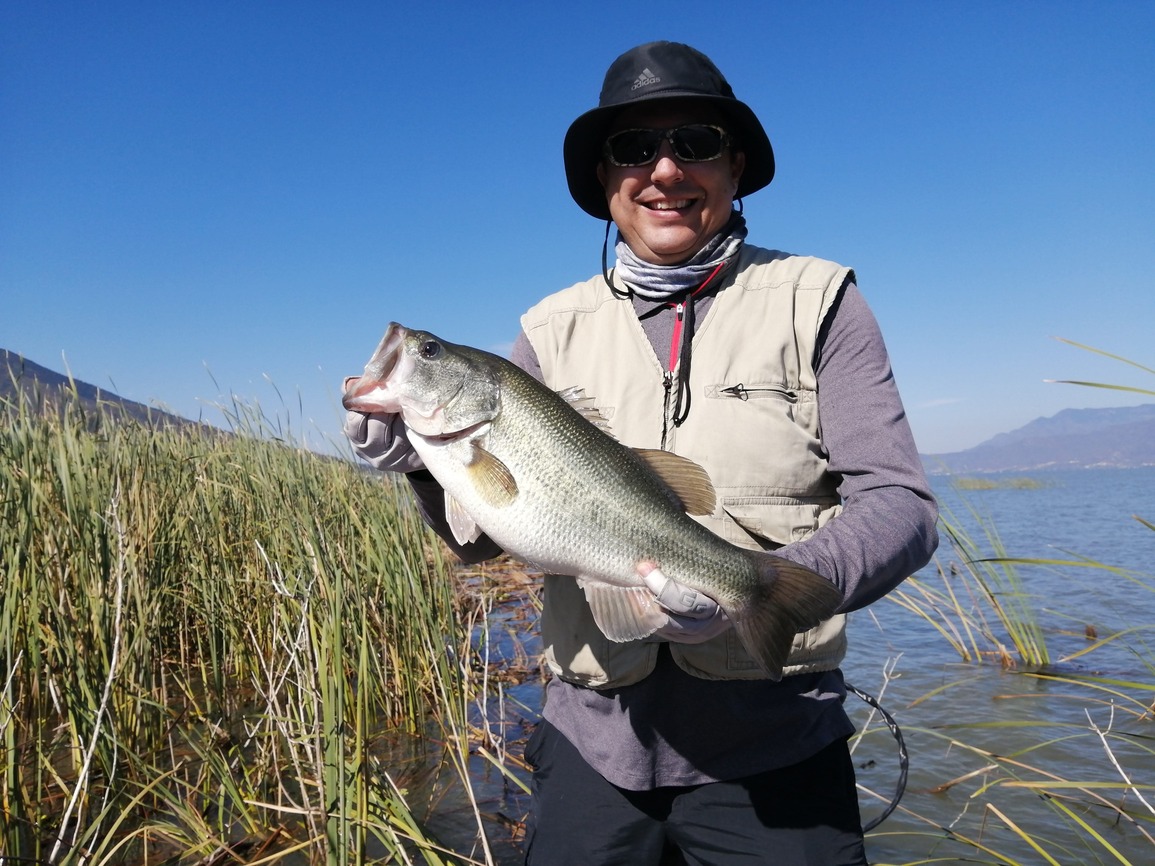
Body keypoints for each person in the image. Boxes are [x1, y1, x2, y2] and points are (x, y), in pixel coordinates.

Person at [345, 41, 938, 866]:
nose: (663, 169)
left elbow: (900, 507)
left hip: (775, 745)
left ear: (734, 168)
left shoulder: (821, 302)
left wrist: (768, 589)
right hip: (592, 749)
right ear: (603, 181)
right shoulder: (546, 330)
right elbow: (485, 536)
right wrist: (419, 462)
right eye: (632, 148)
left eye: (693, 143)